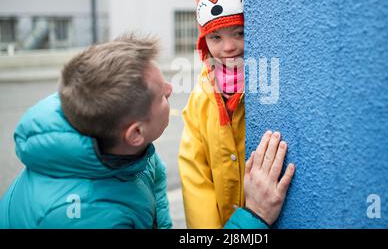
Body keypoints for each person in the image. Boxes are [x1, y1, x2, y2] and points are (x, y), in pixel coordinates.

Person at [0, 35, 294, 229]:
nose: (171, 89)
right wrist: (254, 216)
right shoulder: (92, 218)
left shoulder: (91, 122)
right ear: (135, 134)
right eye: (162, 96)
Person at [178, 0, 294, 228]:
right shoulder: (201, 97)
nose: (228, 47)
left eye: (239, 33)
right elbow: (194, 173)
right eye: (215, 37)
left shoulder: (267, 85)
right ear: (203, 42)